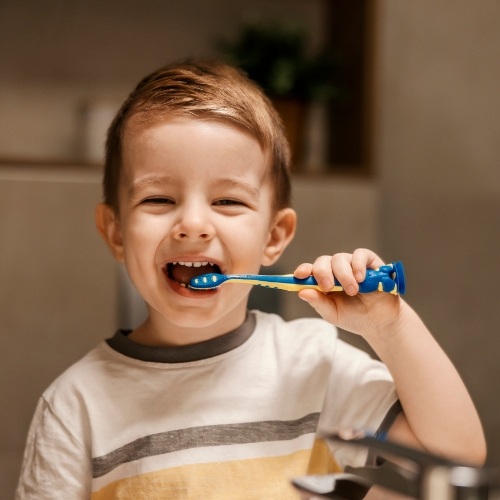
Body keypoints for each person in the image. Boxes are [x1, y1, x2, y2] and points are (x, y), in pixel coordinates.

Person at [16, 60, 486, 499]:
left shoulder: (313, 365)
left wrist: (390, 328)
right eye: (159, 199)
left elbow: (452, 460)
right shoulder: (75, 406)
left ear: (274, 236)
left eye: (227, 202)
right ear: (116, 233)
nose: (194, 223)